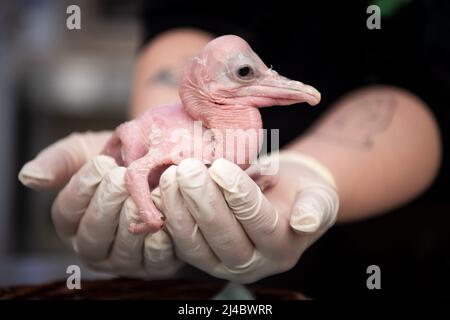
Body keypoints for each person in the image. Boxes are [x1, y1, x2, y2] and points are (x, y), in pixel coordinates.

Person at [18, 0, 448, 289]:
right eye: (247, 74)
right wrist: (148, 213)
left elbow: (432, 75)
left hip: (402, 249)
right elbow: (191, 9)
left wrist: (311, 171)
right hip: (194, 281)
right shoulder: (195, 136)